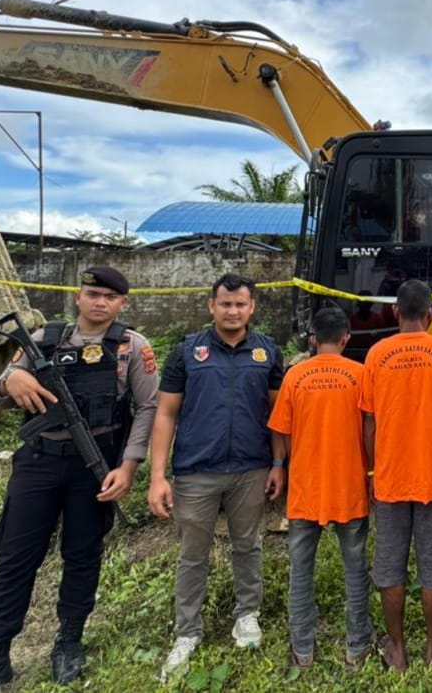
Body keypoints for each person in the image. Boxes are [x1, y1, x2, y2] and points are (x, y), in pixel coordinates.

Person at [0, 266, 159, 693]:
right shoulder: (42, 341)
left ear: (123, 303)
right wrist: (12, 378)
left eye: (110, 296)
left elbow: (149, 408)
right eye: (92, 293)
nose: (100, 302)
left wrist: (129, 466)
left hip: (96, 464)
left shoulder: (130, 347)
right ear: (78, 296)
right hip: (39, 461)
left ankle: (69, 641)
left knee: (83, 554)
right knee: (16, 560)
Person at [147, 274, 286, 682]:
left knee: (248, 545)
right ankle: (187, 632)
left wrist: (279, 463)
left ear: (252, 308)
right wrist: (158, 476)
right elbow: (166, 414)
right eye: (225, 304)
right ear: (212, 306)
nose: (233, 311)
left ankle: (247, 615)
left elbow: (277, 415)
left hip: (251, 468)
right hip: (196, 472)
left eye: (240, 304)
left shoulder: (267, 352)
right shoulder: (188, 352)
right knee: (193, 554)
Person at [361, 279, 432, 672]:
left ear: (394, 312)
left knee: (390, 564)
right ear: (431, 313)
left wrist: (372, 469)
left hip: (389, 476)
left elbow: (369, 422)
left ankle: (398, 650)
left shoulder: (377, 354)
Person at [268, 307, 375, 669]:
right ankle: (357, 647)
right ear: (347, 338)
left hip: (305, 489)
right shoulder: (360, 375)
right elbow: (370, 430)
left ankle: (302, 650)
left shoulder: (295, 376)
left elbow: (280, 429)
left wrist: (279, 467)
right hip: (350, 488)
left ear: (312, 339)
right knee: (355, 567)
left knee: (300, 570)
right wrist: (372, 473)